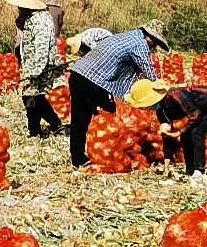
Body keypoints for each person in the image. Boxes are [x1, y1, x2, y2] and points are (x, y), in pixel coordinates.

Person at [67, 23, 167, 169]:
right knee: (108, 112)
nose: (154, 47)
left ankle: (78, 158)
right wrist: (160, 88)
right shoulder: (139, 43)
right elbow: (148, 71)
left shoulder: (126, 36)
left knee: (79, 120)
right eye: (156, 43)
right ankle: (108, 153)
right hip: (92, 80)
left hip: (78, 75)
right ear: (151, 37)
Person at [127, 76, 207, 183]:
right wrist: (166, 166)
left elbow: (195, 116)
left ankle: (199, 171)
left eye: (143, 106)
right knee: (186, 135)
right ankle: (190, 170)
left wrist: (178, 132)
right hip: (205, 108)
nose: (144, 109)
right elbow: (167, 137)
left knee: (197, 132)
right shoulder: (161, 111)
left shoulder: (175, 95)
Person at [8, 0, 65, 136]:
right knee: (33, 97)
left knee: (30, 97)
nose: (19, 8)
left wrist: (35, 70)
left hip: (40, 65)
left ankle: (47, 126)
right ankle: (40, 128)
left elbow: (41, 45)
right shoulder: (31, 18)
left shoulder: (40, 21)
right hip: (34, 64)